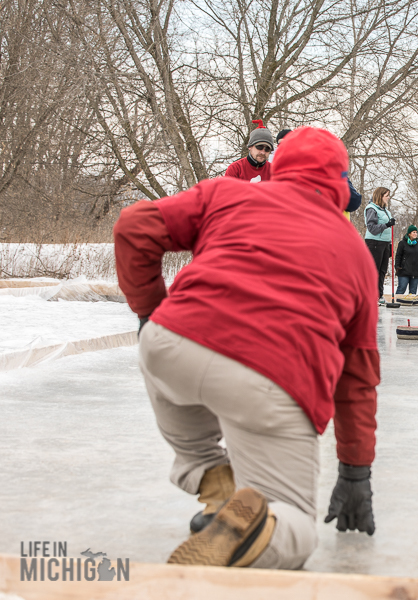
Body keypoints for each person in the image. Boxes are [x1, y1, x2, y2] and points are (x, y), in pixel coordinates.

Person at [112, 127, 379, 569]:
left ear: (277, 166)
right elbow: (356, 376)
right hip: (271, 379)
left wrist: (149, 316)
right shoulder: (355, 253)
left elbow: (134, 225)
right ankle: (263, 524)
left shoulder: (228, 195)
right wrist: (355, 471)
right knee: (295, 527)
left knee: (172, 371)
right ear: (341, 181)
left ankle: (218, 488)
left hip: (171, 347)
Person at [364, 187, 395, 305]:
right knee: (374, 270)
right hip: (374, 242)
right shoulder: (372, 209)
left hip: (384, 243)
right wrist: (387, 224)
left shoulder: (386, 210)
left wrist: (390, 244)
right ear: (380, 196)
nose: (388, 197)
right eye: (386, 195)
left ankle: (379, 294)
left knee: (382, 270)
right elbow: (372, 228)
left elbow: (387, 230)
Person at [395, 224, 418, 296]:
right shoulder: (402, 243)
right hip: (404, 271)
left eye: (416, 232)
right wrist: (397, 266)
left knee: (413, 292)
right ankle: (397, 302)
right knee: (402, 288)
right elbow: (398, 256)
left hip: (415, 272)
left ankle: (411, 305)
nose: (415, 234)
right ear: (409, 234)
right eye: (413, 232)